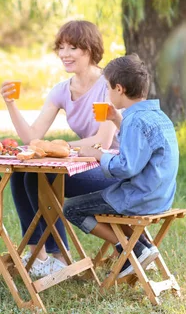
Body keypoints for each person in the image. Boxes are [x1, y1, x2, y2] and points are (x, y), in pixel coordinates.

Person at [0, 20, 120, 277]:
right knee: (21, 173)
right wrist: (11, 105)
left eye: (73, 47)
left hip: (115, 169)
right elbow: (32, 137)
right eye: (61, 47)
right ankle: (37, 253)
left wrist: (60, 146)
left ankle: (59, 254)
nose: (64, 54)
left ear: (90, 49)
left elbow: (104, 141)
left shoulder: (108, 86)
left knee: (45, 175)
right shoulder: (61, 91)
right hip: (86, 165)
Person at [63, 54, 179, 278]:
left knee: (72, 208)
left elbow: (127, 167)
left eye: (107, 88)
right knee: (101, 198)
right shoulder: (157, 115)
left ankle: (130, 248)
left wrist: (99, 156)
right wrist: (118, 121)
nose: (106, 93)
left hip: (139, 198)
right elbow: (141, 149)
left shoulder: (136, 121)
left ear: (119, 89)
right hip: (160, 195)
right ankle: (142, 248)